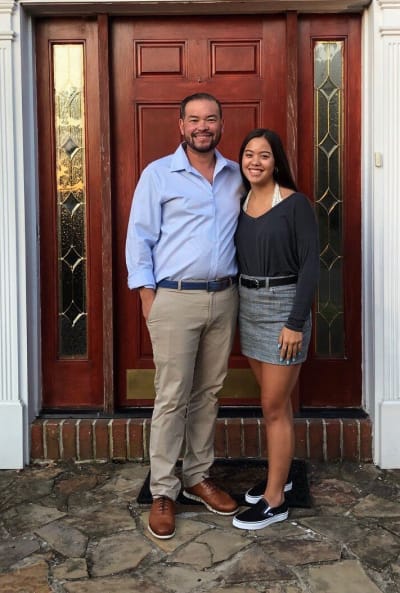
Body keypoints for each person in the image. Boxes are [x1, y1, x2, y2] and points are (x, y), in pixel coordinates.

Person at [126, 93, 243, 539]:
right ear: (180, 126)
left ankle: (197, 475)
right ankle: (162, 489)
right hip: (174, 299)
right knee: (171, 395)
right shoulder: (158, 174)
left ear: (220, 124)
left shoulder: (236, 175)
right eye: (194, 119)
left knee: (209, 392)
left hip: (224, 298)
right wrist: (146, 297)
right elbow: (139, 238)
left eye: (210, 118)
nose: (202, 126)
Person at [232, 128, 319, 530]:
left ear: (276, 161)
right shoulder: (241, 199)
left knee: (272, 407)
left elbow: (311, 267)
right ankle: (276, 481)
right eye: (248, 154)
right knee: (277, 406)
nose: (254, 161)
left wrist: (295, 323)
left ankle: (274, 500)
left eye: (263, 155)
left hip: (285, 308)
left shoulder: (296, 204)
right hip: (248, 305)